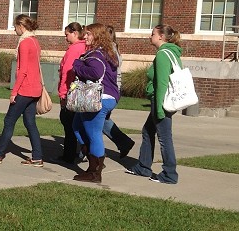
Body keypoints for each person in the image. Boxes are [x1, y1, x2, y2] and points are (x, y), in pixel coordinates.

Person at [0, 14, 44, 167]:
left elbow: (23, 70)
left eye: (15, 26)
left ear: (21, 26)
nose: (15, 30)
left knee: (9, 121)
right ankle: (37, 157)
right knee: (30, 122)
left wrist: (14, 91)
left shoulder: (24, 43)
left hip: (25, 89)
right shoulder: (35, 41)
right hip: (35, 88)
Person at [126, 24, 181, 184]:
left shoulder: (164, 54)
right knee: (147, 131)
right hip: (163, 101)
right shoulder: (173, 53)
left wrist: (158, 108)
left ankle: (169, 174)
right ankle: (143, 167)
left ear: (161, 37)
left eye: (152, 34)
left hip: (161, 102)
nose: (150, 37)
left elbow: (162, 83)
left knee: (164, 138)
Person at [71, 23, 120, 183]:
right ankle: (95, 161)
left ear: (97, 36)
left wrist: (77, 65)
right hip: (107, 97)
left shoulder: (96, 55)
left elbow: (95, 72)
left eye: (89, 34)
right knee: (77, 126)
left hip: (99, 98)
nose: (85, 37)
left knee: (94, 134)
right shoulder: (107, 53)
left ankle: (95, 172)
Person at [102, 25, 135, 158]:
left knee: (95, 121)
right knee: (103, 121)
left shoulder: (108, 51)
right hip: (113, 91)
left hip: (108, 91)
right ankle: (124, 142)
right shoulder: (114, 49)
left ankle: (88, 153)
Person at [57, 22, 86, 164]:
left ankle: (69, 155)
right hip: (79, 91)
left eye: (67, 34)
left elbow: (67, 73)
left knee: (69, 124)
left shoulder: (74, 49)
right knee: (76, 124)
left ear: (74, 33)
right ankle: (81, 151)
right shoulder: (84, 47)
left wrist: (63, 93)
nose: (66, 38)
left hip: (71, 92)